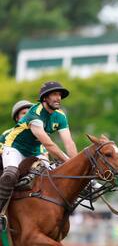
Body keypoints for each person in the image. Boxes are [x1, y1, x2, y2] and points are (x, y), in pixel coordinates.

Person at [0, 81, 78, 212]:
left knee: (55, 174)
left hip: (35, 151)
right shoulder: (34, 115)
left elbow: (69, 142)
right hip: (15, 148)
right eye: (54, 94)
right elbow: (49, 145)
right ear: (45, 98)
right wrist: (70, 163)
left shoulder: (60, 115)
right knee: (11, 174)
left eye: (59, 94)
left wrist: (75, 164)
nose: (58, 97)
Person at [0, 100, 50, 169]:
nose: (28, 116)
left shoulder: (39, 134)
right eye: (24, 113)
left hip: (32, 166)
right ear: (17, 118)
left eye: (30, 113)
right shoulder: (7, 133)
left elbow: (44, 154)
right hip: (13, 162)